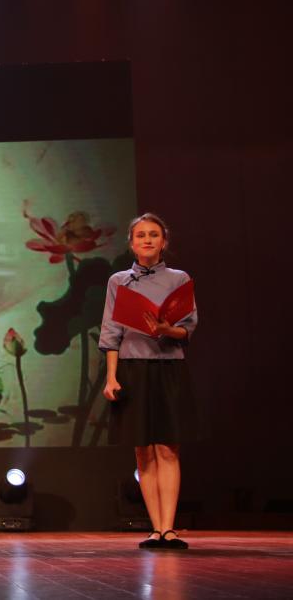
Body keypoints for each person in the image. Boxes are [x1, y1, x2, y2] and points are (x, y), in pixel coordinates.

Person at [100, 213, 199, 550]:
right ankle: (155, 528)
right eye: (141, 235)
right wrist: (111, 377)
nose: (147, 240)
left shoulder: (178, 278)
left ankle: (169, 528)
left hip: (168, 367)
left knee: (168, 448)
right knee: (143, 450)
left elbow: (188, 327)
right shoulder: (119, 281)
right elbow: (110, 333)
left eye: (153, 234)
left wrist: (166, 329)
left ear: (163, 241)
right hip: (132, 369)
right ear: (131, 243)